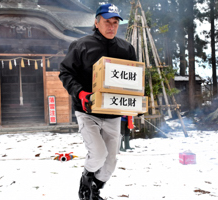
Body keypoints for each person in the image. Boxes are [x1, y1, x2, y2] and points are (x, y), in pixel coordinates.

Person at [59, 4, 136, 200]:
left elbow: (133, 80)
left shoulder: (126, 49)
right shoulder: (81, 45)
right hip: (87, 111)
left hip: (113, 113)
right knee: (99, 154)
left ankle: (94, 189)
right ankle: (86, 180)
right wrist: (81, 93)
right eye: (107, 22)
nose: (111, 26)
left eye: (115, 23)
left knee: (110, 164)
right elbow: (65, 73)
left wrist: (132, 107)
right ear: (96, 22)